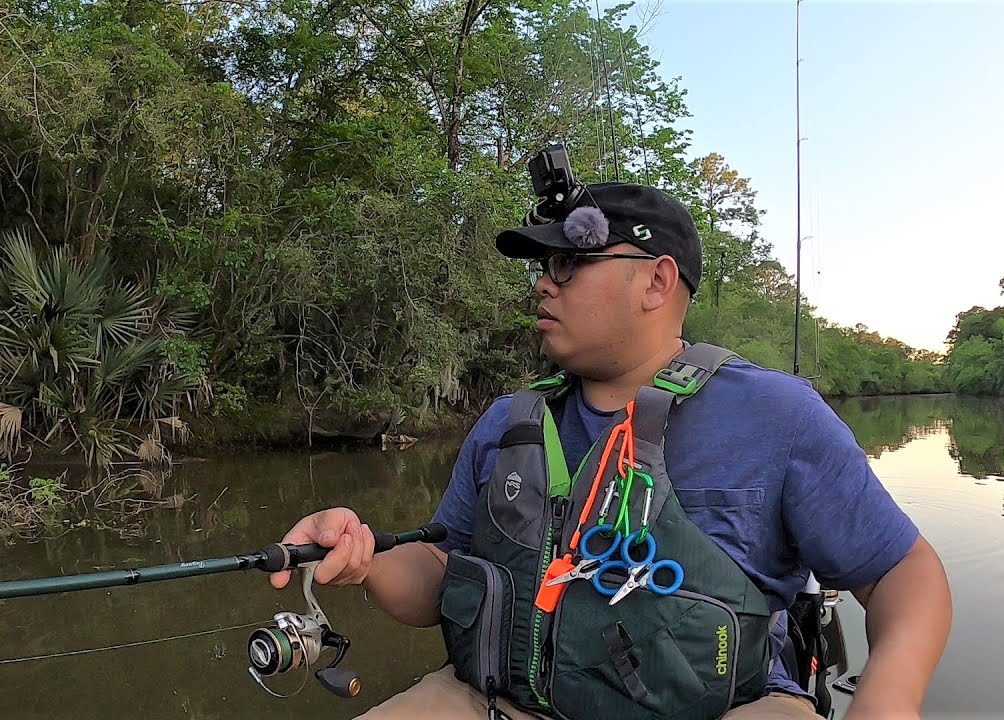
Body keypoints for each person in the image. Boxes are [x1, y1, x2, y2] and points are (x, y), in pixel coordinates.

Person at [272, 181, 952, 720]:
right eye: (543, 267)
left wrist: (888, 699)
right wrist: (363, 557)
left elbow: (905, 576)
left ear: (657, 282)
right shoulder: (507, 421)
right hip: (496, 702)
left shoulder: (780, 415)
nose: (543, 283)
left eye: (568, 264)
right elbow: (440, 575)